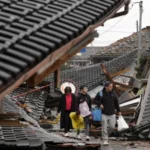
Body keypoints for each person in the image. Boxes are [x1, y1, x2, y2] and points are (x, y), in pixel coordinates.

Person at [94, 81, 121, 145]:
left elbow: (116, 102)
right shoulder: (100, 93)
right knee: (104, 127)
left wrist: (119, 110)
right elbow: (95, 100)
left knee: (112, 127)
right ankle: (105, 140)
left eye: (112, 86)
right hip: (103, 113)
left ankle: (105, 136)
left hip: (112, 113)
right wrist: (100, 104)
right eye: (110, 86)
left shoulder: (113, 93)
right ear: (106, 87)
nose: (111, 87)